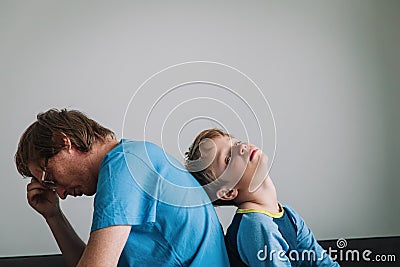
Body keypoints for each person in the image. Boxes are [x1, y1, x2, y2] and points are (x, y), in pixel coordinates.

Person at [15, 109, 229, 267]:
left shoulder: (123, 164)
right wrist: (54, 216)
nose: (60, 193)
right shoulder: (132, 157)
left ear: (63, 142)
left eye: (50, 177)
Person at [185, 128, 340, 267]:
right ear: (228, 192)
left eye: (236, 143)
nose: (242, 146)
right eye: (228, 158)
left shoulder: (287, 214)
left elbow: (320, 260)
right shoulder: (256, 226)